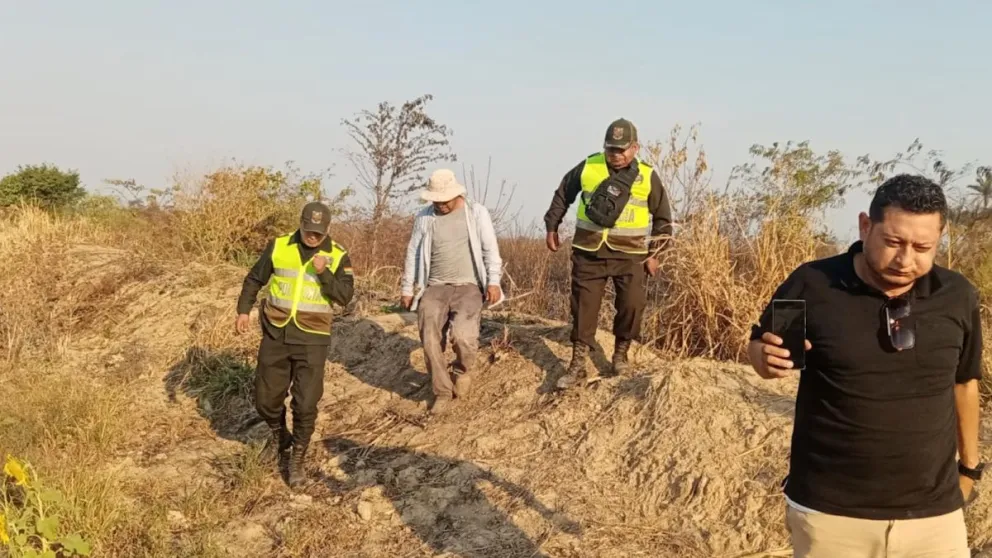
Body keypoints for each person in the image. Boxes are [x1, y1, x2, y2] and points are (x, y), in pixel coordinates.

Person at [748, 174, 983, 557]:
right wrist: (763, 357)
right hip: (831, 516)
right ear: (865, 226)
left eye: (923, 247)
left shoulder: (956, 295)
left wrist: (969, 470)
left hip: (934, 519)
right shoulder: (812, 284)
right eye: (893, 242)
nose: (906, 259)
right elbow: (762, 346)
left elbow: (964, 383)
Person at [543, 118, 673, 389]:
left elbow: (663, 219)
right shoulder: (589, 166)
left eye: (622, 149)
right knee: (583, 308)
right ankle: (577, 363)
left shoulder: (647, 176)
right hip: (588, 251)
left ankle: (620, 354)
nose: (615, 154)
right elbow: (562, 194)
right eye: (611, 148)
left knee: (632, 305)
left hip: (630, 254)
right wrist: (551, 225)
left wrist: (655, 253)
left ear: (635, 147)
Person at [235, 200, 355, 489]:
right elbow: (254, 278)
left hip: (313, 339)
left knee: (306, 403)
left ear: (327, 230)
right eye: (308, 230)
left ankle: (297, 458)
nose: (312, 237)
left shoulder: (337, 255)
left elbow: (344, 297)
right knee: (265, 399)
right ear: (300, 224)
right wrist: (243, 310)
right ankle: (280, 437)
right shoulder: (278, 246)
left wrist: (324, 272)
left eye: (318, 233)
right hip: (276, 331)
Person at [401, 168, 504, 415]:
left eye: (444, 200)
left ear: (455, 194)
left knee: (464, 336)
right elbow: (413, 253)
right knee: (429, 337)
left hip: (468, 286)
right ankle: (442, 391)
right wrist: (407, 288)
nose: (440, 205)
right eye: (435, 201)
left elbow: (490, 249)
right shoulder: (424, 218)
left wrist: (493, 281)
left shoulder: (476, 213)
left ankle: (462, 370)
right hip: (435, 286)